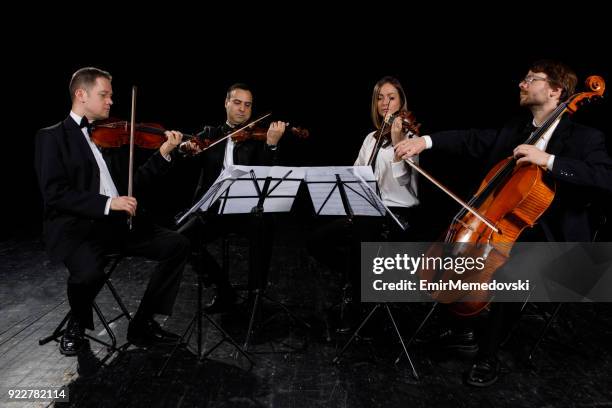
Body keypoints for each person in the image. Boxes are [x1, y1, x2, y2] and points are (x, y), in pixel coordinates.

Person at [394, 59, 612, 386]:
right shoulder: (516, 129)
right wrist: (424, 142)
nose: (521, 84)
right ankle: (462, 329)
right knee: (441, 246)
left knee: (510, 270)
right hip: (503, 225)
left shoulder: (585, 138)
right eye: (524, 79)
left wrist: (550, 161)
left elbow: (604, 178)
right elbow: (472, 138)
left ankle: (487, 355)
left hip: (555, 236)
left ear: (555, 90)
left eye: (531, 79)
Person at [34, 67, 190, 355]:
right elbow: (55, 194)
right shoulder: (52, 137)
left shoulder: (111, 137)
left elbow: (135, 183)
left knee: (177, 244)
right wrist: (108, 203)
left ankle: (142, 324)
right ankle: (77, 324)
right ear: (81, 94)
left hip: (117, 225)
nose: (110, 102)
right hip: (79, 229)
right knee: (88, 273)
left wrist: (164, 153)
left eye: (111, 96)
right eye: (104, 95)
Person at [307, 76, 422, 332]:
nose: (384, 102)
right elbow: (357, 174)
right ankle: (360, 280)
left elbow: (403, 180)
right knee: (317, 240)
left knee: (362, 232)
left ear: (401, 101)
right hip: (368, 209)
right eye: (380, 97)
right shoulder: (370, 138)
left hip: (399, 214)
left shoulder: (413, 137)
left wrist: (396, 143)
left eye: (391, 97)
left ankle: (358, 306)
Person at [183, 83, 287, 313]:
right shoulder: (210, 134)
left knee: (265, 224)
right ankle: (224, 290)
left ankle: (255, 295)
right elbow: (188, 157)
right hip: (213, 209)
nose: (242, 109)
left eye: (248, 105)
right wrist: (186, 149)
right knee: (181, 238)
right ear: (226, 103)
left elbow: (267, 175)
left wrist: (271, 145)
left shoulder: (259, 137)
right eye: (237, 103)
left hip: (245, 209)